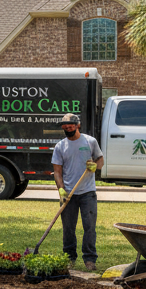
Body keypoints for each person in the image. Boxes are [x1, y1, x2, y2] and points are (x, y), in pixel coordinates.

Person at [51, 112, 103, 271]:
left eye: (71, 126)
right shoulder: (60, 146)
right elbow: (57, 172)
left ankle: (89, 259)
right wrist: (61, 189)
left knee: (89, 227)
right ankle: (69, 257)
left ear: (77, 125)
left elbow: (100, 161)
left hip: (87, 192)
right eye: (65, 127)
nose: (68, 129)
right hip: (69, 194)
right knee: (68, 228)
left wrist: (95, 166)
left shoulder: (90, 141)